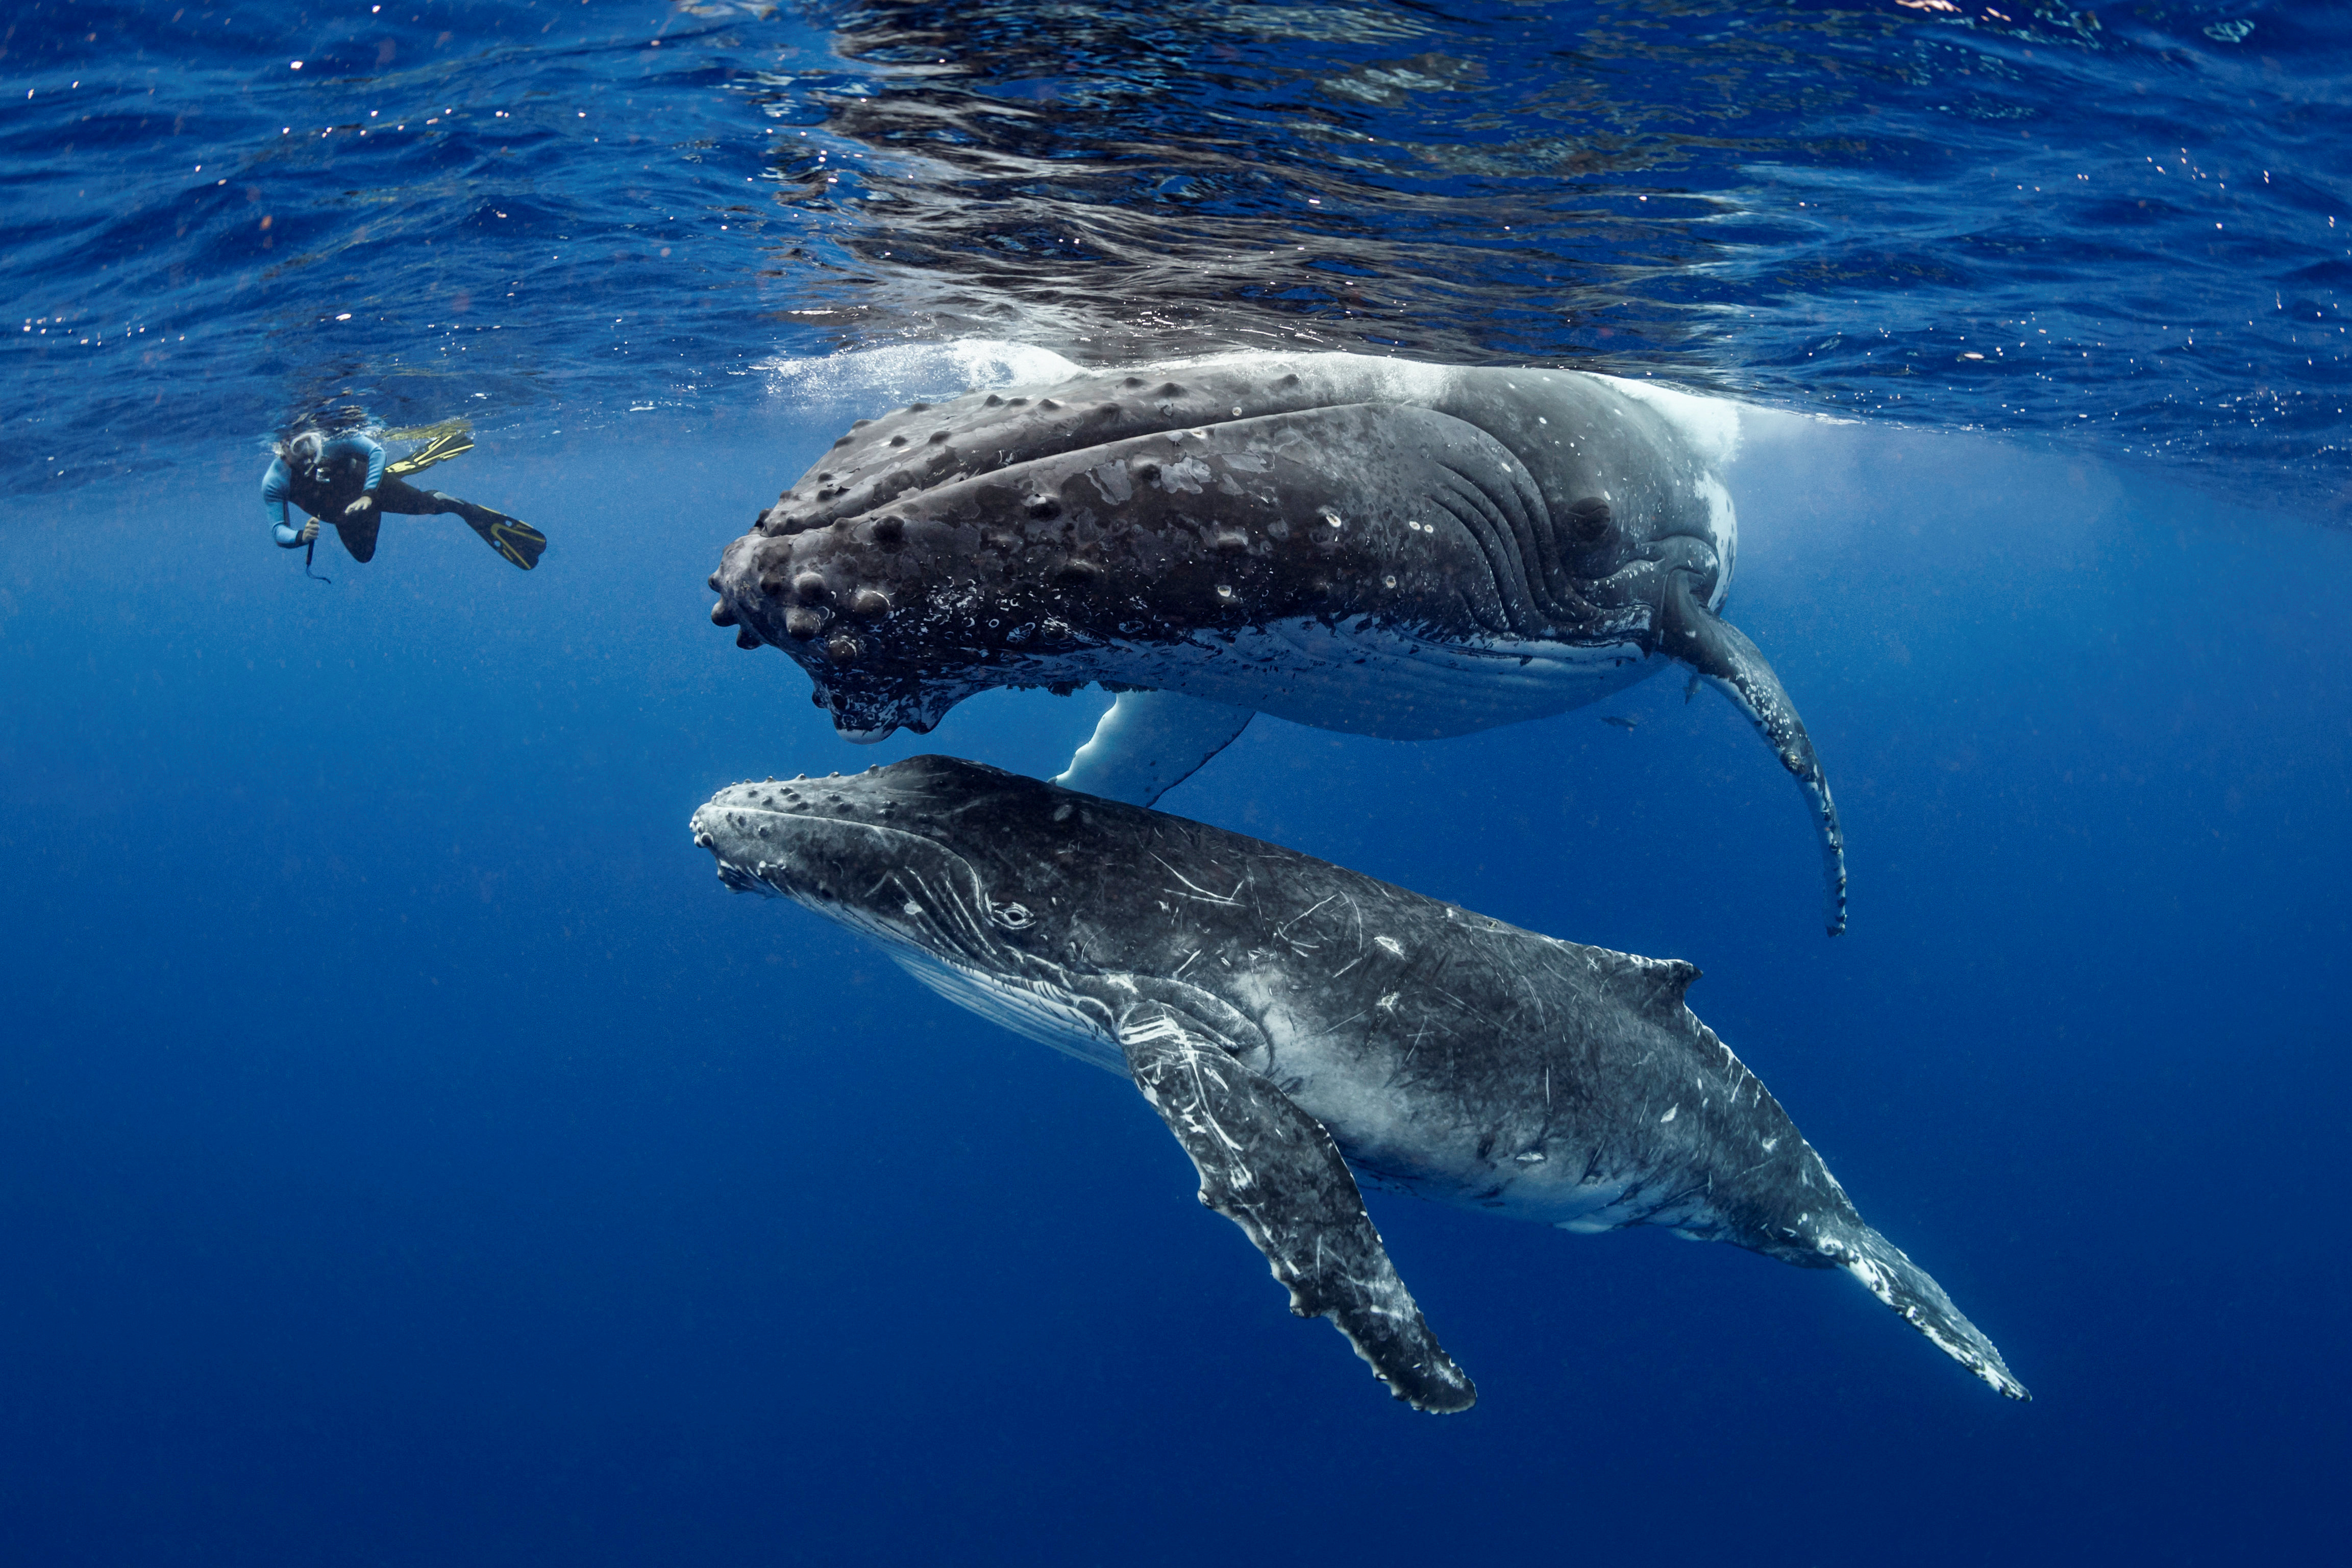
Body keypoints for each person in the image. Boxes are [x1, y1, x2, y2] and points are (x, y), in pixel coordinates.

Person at [262, 427, 546, 570]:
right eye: (300, 447)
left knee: (431, 506)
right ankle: (395, 473)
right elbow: (277, 530)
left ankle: (463, 509)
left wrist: (369, 493)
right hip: (346, 516)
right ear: (282, 450)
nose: (310, 452)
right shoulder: (275, 482)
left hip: (375, 492)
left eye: (311, 442)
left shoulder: (333, 442)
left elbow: (375, 453)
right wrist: (301, 537)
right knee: (363, 557)